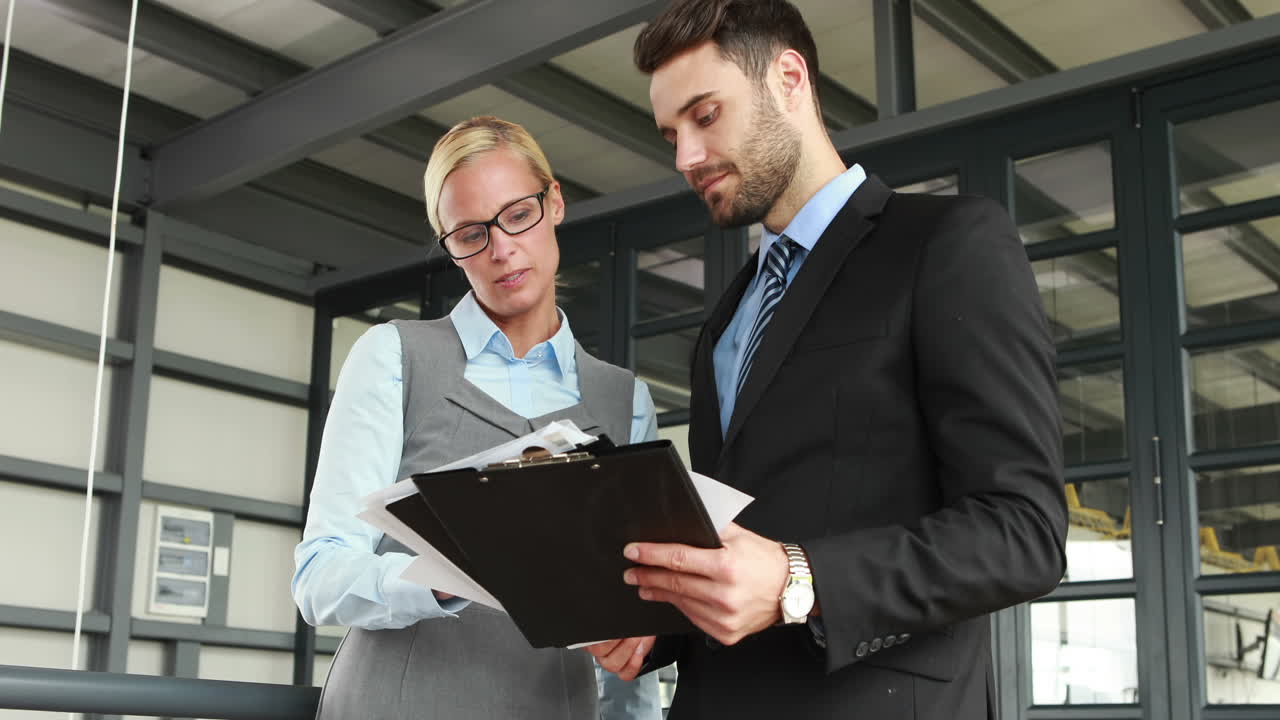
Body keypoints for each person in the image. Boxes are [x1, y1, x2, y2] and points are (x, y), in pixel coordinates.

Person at [589, 1, 1068, 717]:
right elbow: (748, 546)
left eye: (706, 115)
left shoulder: (947, 245)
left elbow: (1022, 532)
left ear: (789, 77)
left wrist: (798, 577)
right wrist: (661, 626)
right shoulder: (727, 317)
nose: (685, 156)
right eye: (671, 133)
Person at [293, 116, 662, 720]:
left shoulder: (625, 402)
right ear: (449, 247)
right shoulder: (395, 357)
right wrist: (444, 576)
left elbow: (632, 628)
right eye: (469, 234)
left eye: (518, 214)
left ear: (556, 203)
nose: (500, 248)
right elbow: (319, 575)